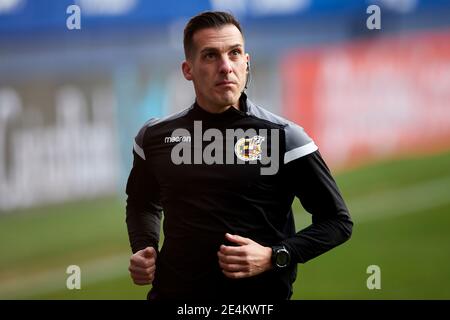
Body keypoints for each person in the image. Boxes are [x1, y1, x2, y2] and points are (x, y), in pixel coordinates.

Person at [125, 11, 353, 300]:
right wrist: (144, 247)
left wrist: (274, 256)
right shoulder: (155, 138)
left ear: (246, 62)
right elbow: (142, 202)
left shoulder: (285, 138)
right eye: (210, 56)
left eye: (234, 53)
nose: (225, 67)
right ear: (188, 69)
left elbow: (337, 222)